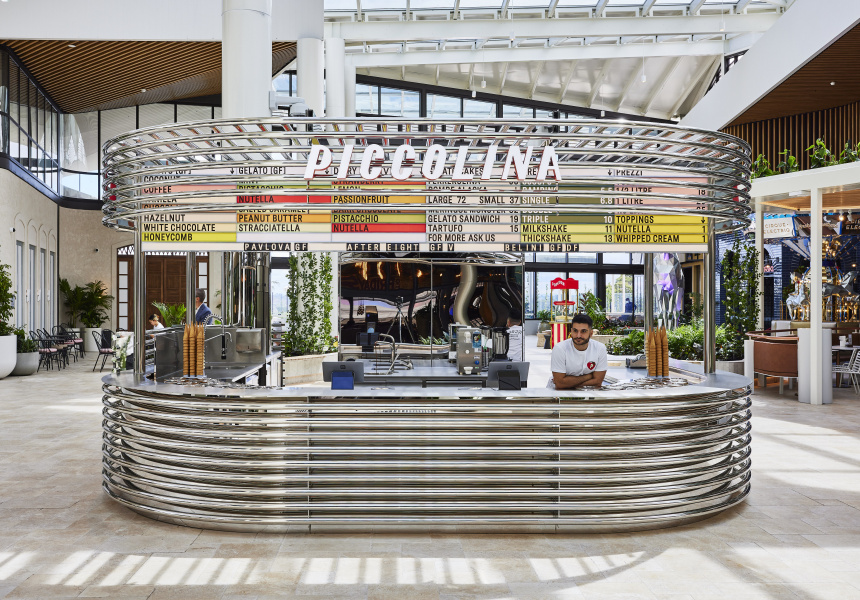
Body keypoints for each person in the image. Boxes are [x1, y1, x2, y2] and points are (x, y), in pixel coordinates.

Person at [548, 313, 608, 389]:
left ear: (591, 333)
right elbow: (560, 384)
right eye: (575, 331)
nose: (578, 335)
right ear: (571, 331)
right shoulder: (560, 348)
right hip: (558, 394)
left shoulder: (600, 348)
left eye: (583, 331)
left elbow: (597, 382)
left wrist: (568, 382)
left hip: (587, 394)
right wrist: (589, 376)